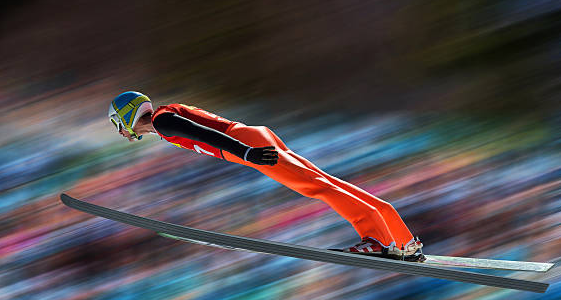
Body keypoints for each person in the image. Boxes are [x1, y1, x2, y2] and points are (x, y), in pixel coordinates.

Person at [108, 91, 424, 260]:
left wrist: (246, 153)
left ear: (125, 116)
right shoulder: (166, 113)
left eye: (117, 124)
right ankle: (403, 240)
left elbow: (203, 134)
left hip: (244, 143)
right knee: (326, 183)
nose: (121, 132)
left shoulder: (163, 121)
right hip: (250, 136)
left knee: (317, 188)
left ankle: (379, 241)